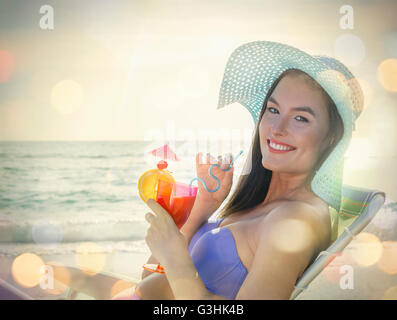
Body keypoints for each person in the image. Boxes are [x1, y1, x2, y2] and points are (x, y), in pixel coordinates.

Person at [114, 40, 364, 300]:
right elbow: (152, 281)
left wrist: (177, 260)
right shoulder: (260, 204)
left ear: (332, 137)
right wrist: (205, 204)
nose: (277, 129)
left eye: (301, 118)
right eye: (273, 110)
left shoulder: (295, 220)